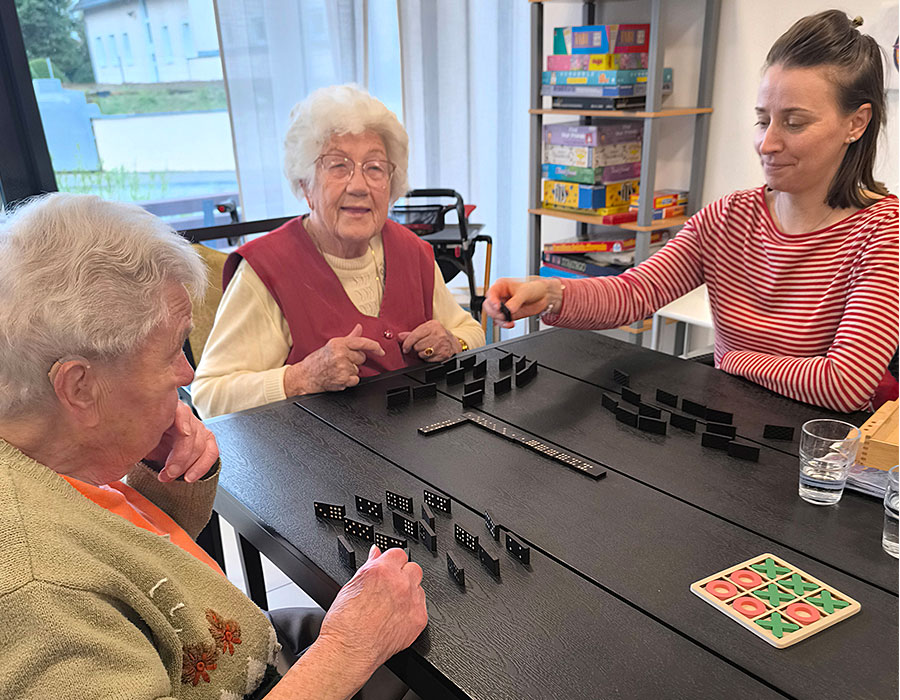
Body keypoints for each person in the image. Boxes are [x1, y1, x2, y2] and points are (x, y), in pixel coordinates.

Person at [0, 193, 427, 699]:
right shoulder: (36, 593)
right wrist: (348, 646)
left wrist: (161, 478)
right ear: (79, 387)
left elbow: (140, 575)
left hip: (234, 648)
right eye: (170, 353)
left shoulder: (45, 452)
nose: (187, 373)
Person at [486, 10, 898, 414]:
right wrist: (551, 294)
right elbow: (634, 293)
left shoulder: (884, 233)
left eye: (793, 123)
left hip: (820, 454)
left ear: (856, 124)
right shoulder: (728, 218)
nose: (766, 144)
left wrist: (734, 359)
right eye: (762, 120)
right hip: (730, 423)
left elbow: (845, 385)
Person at [192, 85, 485, 418]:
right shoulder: (267, 269)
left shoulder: (412, 250)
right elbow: (209, 396)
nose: (358, 186)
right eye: (337, 166)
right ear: (305, 184)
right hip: (316, 460)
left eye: (374, 167)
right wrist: (299, 378)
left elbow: (472, 331)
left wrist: (451, 341)